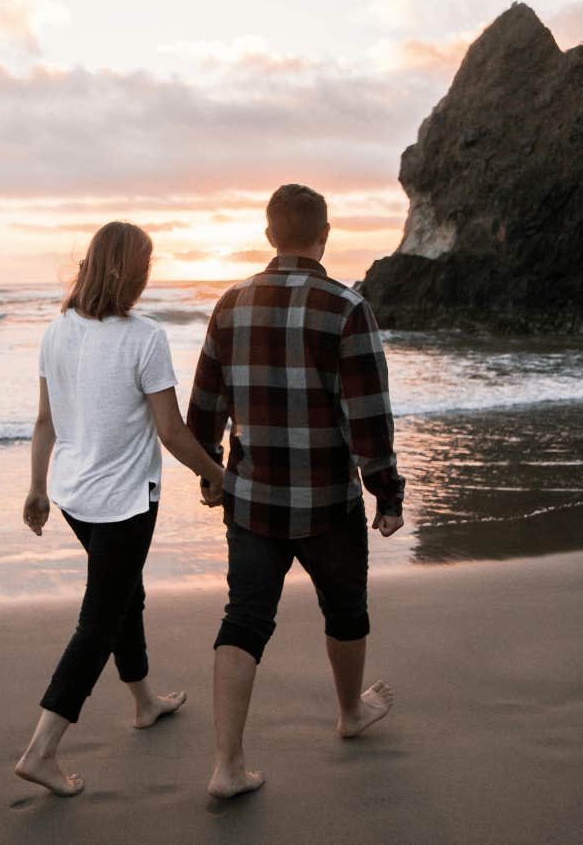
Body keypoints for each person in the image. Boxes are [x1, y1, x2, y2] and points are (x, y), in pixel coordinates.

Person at [186, 184, 406, 799]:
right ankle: (350, 713)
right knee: (345, 611)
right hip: (328, 502)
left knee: (245, 619)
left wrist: (210, 474)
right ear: (325, 234)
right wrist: (387, 496)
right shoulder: (347, 307)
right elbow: (368, 418)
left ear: (268, 235)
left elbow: (202, 406)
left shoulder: (229, 304)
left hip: (253, 500)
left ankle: (227, 766)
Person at [15, 221, 224, 797]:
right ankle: (41, 751)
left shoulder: (56, 331)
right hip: (124, 504)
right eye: (146, 266)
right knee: (100, 620)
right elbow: (173, 433)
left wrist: (37, 487)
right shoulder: (145, 338)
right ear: (132, 272)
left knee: (125, 594)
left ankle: (143, 702)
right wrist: (221, 477)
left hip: (75, 497)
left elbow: (44, 422)